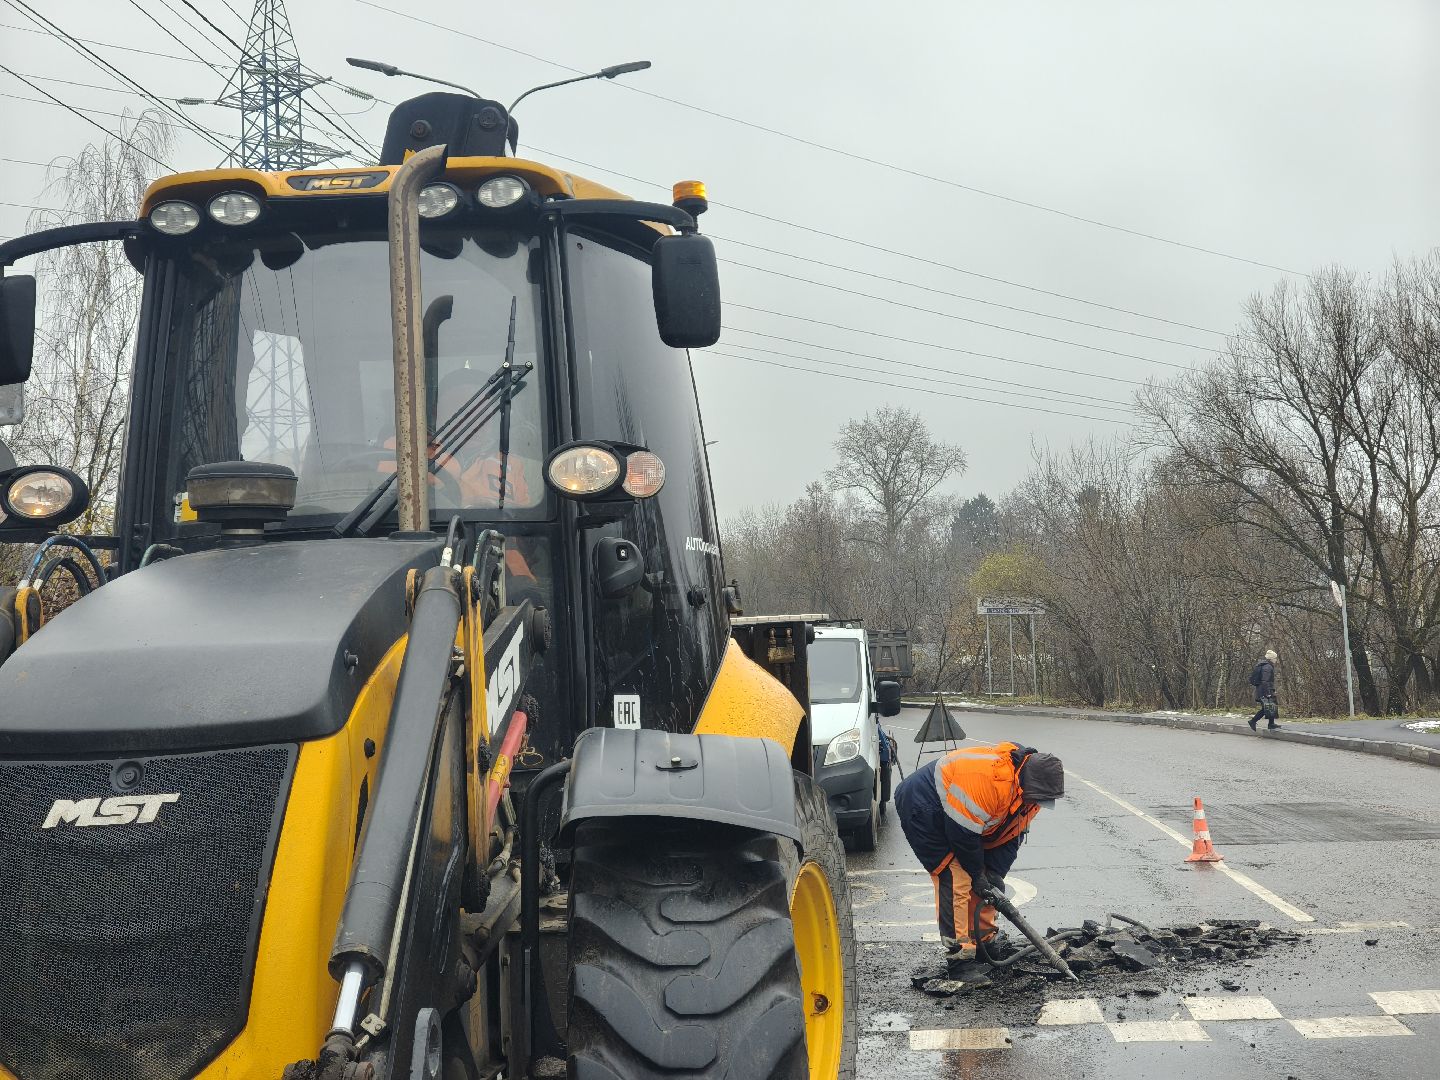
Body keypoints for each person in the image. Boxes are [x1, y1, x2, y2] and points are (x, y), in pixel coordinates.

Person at [893, 741, 1065, 986]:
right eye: (1035, 797)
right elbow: (961, 833)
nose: (1037, 803)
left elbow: (1011, 833)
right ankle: (960, 960)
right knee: (957, 878)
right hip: (924, 806)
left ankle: (983, 942)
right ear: (1025, 781)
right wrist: (977, 874)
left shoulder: (1031, 795)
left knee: (988, 886)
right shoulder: (989, 781)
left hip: (965, 819)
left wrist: (995, 872)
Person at [1249, 649, 1279, 730]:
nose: (1276, 660)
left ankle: (1271, 724)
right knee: (1267, 707)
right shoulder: (1268, 667)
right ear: (1271, 659)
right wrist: (1268, 693)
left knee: (1270, 706)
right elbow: (1265, 681)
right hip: (1264, 691)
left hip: (1263, 690)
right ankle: (1253, 721)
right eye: (1275, 658)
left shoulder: (1264, 665)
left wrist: (1271, 690)